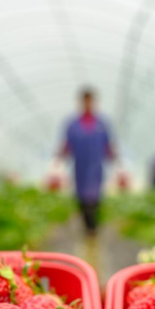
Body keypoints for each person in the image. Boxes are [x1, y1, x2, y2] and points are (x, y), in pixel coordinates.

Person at [58, 88, 116, 235]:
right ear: (81, 102)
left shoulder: (102, 123)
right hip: (80, 167)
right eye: (85, 100)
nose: (88, 103)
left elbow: (108, 144)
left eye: (90, 100)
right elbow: (67, 144)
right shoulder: (73, 124)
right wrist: (60, 156)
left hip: (96, 167)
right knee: (81, 197)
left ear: (94, 102)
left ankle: (93, 227)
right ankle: (88, 226)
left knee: (95, 196)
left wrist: (113, 156)